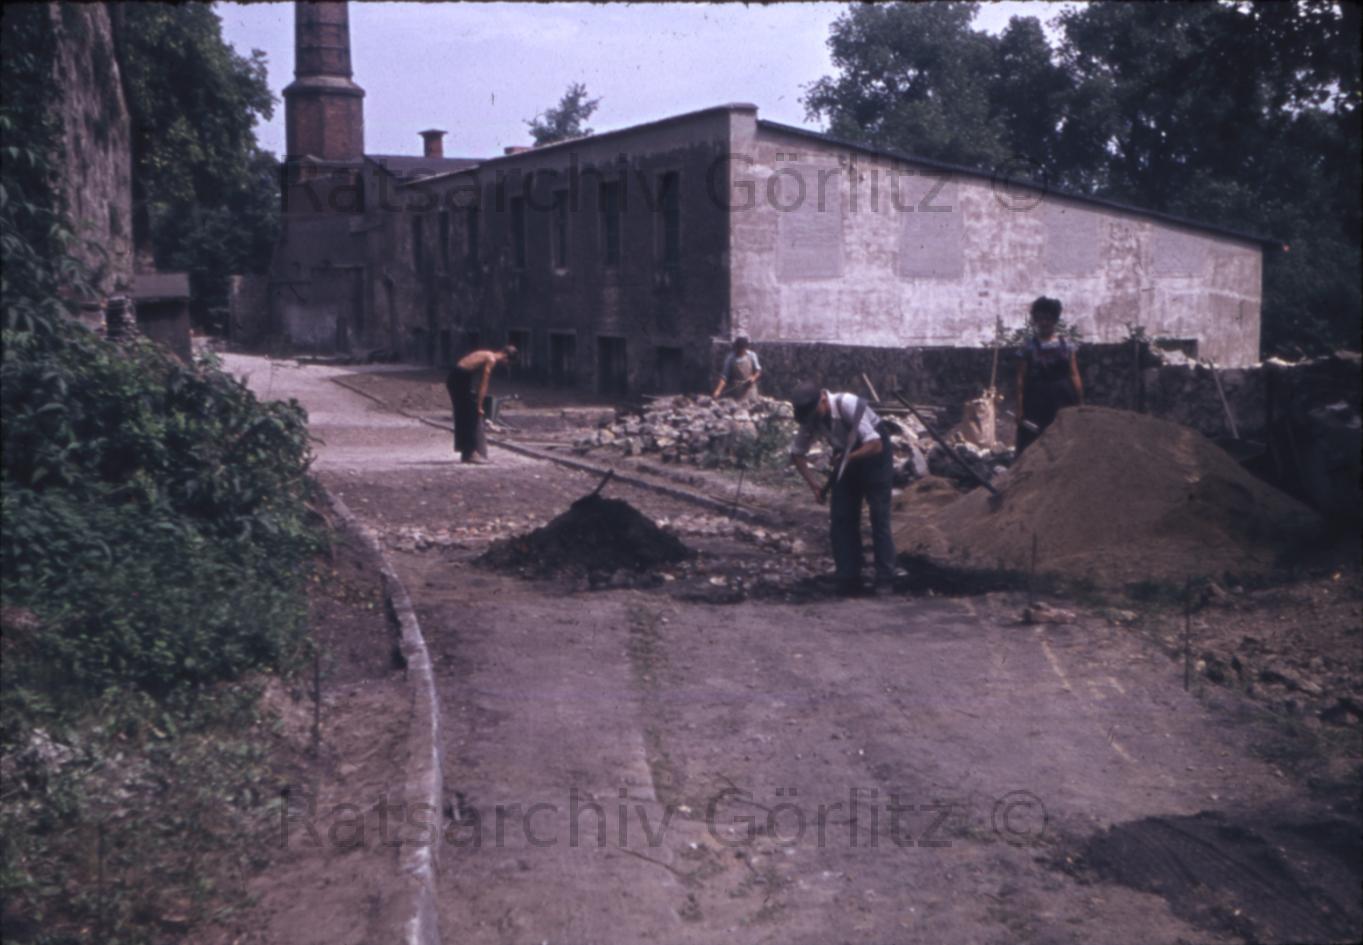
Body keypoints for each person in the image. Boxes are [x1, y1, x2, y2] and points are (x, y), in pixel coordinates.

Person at [789, 382, 896, 595]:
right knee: (841, 516)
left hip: (875, 456)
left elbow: (875, 444)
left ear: (823, 398)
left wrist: (849, 457)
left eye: (814, 414)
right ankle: (848, 577)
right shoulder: (811, 417)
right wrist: (814, 485)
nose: (812, 421)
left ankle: (885, 578)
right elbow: (797, 453)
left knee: (878, 515)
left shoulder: (848, 404)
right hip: (846, 456)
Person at [1014, 297, 1083, 453]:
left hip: (1063, 397)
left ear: (1055, 320)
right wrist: (1019, 408)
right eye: (1040, 319)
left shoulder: (1067, 346)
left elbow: (1074, 374)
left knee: (1064, 437)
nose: (1044, 323)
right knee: (1032, 440)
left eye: (1048, 319)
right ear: (1035, 320)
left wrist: (1080, 402)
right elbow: (1020, 380)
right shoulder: (1028, 348)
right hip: (1036, 400)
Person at [445, 345, 517, 463]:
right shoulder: (491, 359)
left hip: (455, 378)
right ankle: (471, 453)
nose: (505, 364)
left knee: (462, 414)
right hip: (459, 380)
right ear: (505, 356)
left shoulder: (485, 353)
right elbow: (483, 384)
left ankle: (466, 453)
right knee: (471, 415)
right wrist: (479, 405)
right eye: (507, 362)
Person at [713, 335, 763, 401]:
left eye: (742, 348)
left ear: (746, 348)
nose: (740, 350)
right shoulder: (730, 358)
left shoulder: (752, 355)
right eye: (738, 348)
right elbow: (724, 376)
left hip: (750, 389)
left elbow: (758, 371)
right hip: (737, 391)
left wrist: (753, 378)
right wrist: (718, 390)